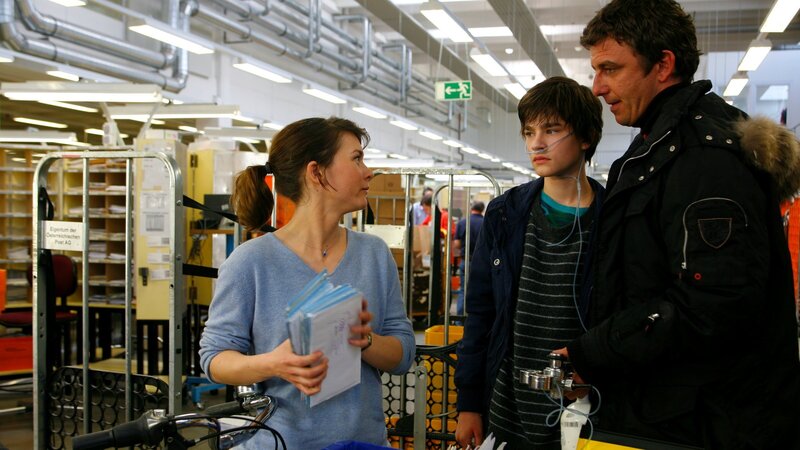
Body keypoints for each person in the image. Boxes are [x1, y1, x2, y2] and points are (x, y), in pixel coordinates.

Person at [557, 0, 800, 448]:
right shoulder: (658, 147)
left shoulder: (704, 157)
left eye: (611, 69)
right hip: (668, 411)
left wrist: (595, 351)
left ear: (663, 65)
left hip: (707, 423)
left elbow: (713, 303)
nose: (597, 87)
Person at [198, 117, 416, 449]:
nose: (368, 171)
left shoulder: (374, 254)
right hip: (281, 442)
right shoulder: (250, 262)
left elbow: (403, 354)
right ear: (317, 172)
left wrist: (365, 339)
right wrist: (273, 363)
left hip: (362, 443)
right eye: (356, 159)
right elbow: (214, 358)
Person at [455, 76, 605, 449]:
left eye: (551, 130)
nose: (536, 143)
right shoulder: (505, 214)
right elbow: (481, 314)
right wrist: (469, 403)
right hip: (508, 405)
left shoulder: (614, 218)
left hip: (585, 409)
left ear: (586, 138)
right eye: (529, 132)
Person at [453, 201, 485, 316]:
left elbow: (457, 244)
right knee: (480, 290)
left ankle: (460, 320)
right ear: (482, 209)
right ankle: (476, 319)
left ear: (471, 208)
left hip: (466, 260)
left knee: (463, 290)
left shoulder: (462, 222)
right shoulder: (485, 222)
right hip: (482, 263)